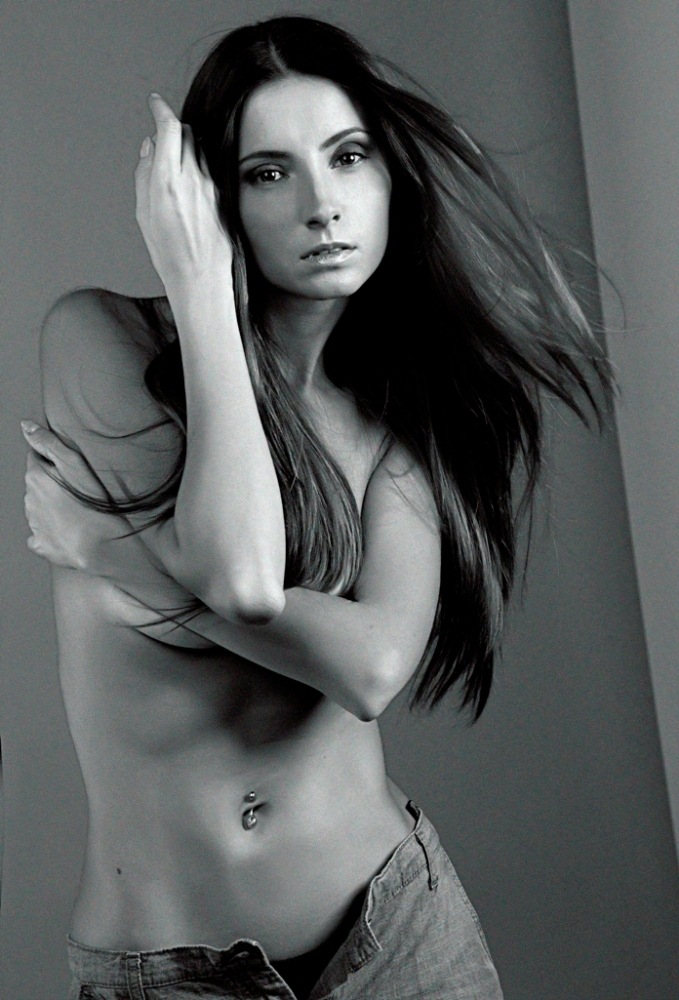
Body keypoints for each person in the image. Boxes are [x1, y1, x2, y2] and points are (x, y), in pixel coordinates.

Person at [22, 15, 610, 1000]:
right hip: (168, 972)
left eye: (347, 157)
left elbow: (368, 665)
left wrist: (116, 555)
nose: (320, 204)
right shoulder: (104, 340)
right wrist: (201, 291)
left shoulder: (399, 423)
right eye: (268, 173)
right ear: (214, 198)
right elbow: (240, 575)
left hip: (396, 933)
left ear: (389, 178)